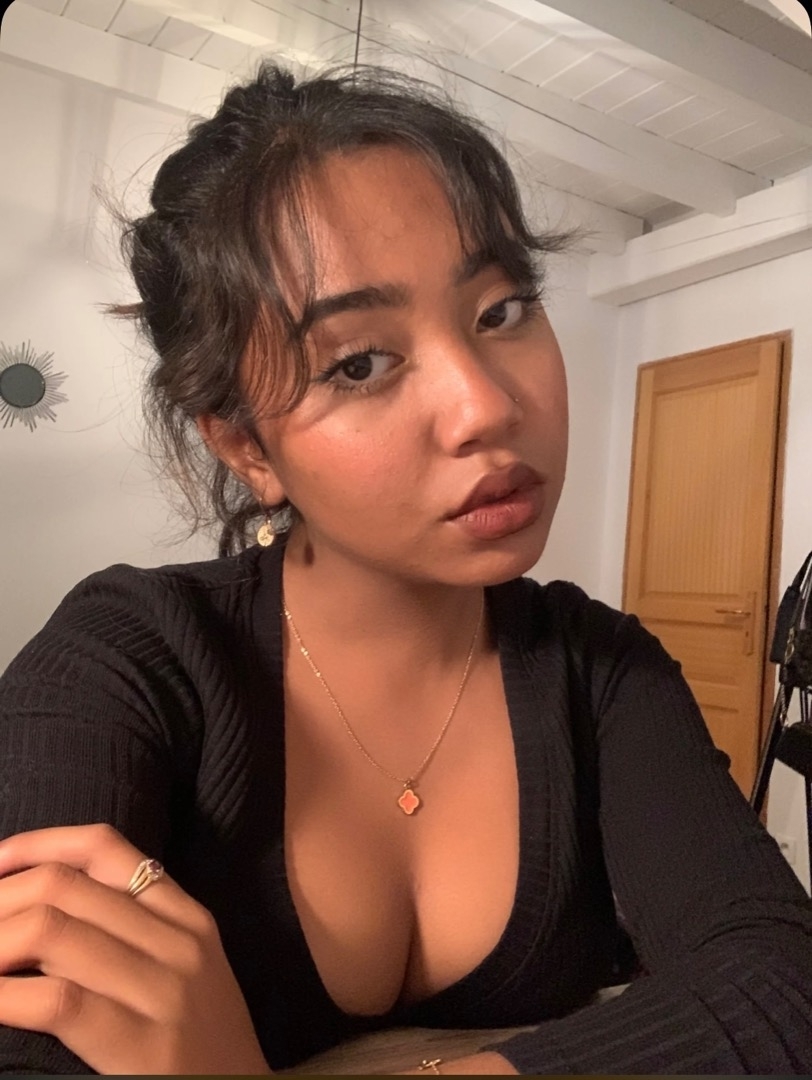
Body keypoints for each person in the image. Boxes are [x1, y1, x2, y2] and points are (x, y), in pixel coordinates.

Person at [0, 60, 811, 1077]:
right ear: (246, 448)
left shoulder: (597, 667)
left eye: (501, 310)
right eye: (358, 364)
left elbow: (779, 980)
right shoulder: (128, 655)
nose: (486, 406)